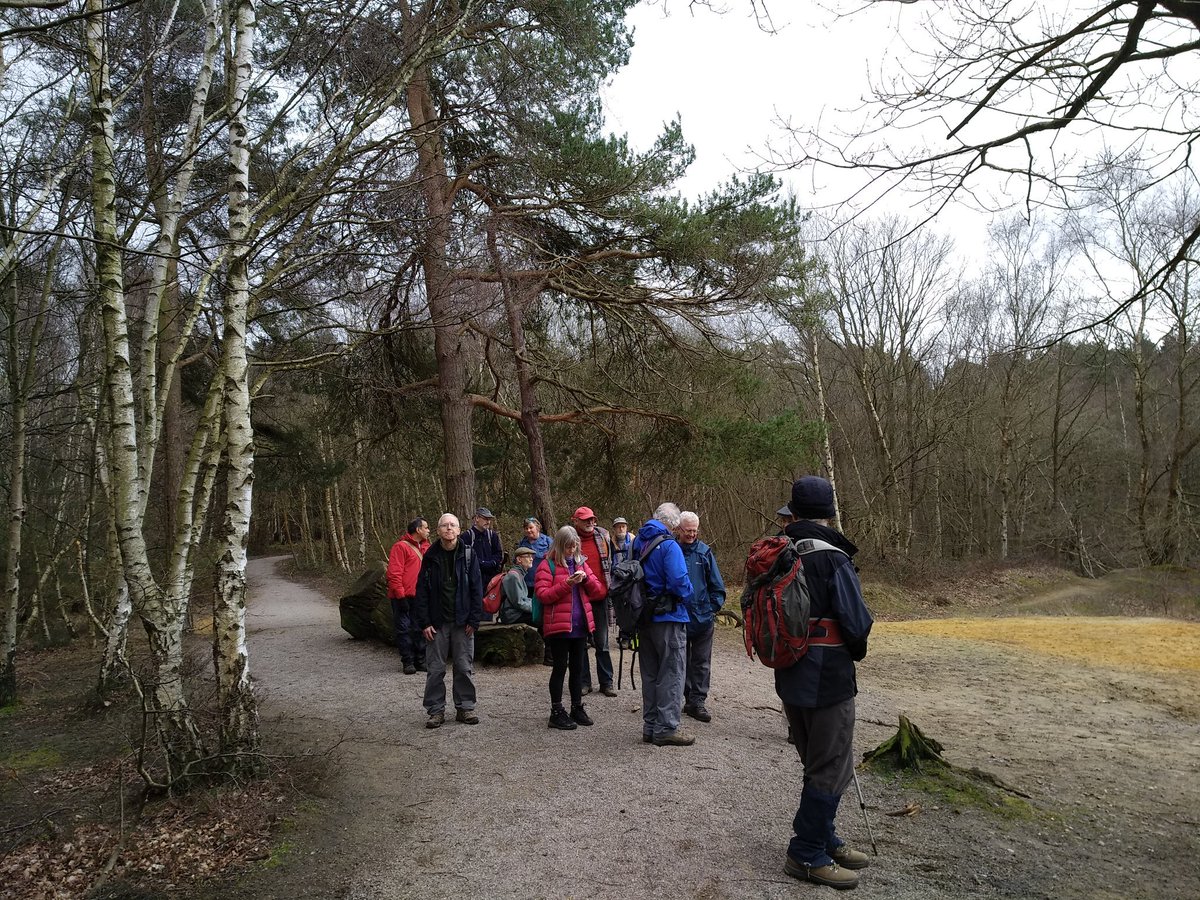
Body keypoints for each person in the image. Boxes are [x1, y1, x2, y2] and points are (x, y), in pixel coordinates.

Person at [778, 476, 874, 890]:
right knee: (831, 764)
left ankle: (824, 835)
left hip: (790, 673)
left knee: (815, 760)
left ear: (794, 512)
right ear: (829, 513)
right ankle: (806, 854)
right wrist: (855, 652)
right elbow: (856, 624)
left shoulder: (780, 551)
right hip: (828, 676)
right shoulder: (832, 558)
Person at [412, 513, 484, 729]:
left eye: (453, 525)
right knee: (435, 669)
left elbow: (476, 588)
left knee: (463, 667)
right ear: (438, 530)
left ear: (459, 530)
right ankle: (436, 711)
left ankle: (465, 707)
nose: (449, 529)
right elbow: (421, 591)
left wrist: (474, 619)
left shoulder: (469, 555)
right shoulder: (430, 556)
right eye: (444, 525)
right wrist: (424, 622)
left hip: (463, 622)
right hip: (437, 622)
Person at [633, 502, 695, 747]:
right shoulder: (669, 545)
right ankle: (667, 727)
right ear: (673, 523)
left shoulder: (637, 542)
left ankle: (650, 726)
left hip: (644, 618)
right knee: (671, 673)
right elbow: (679, 582)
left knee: (650, 673)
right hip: (669, 617)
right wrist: (690, 593)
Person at [534, 525, 605, 730]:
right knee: (559, 668)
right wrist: (567, 583)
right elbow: (543, 595)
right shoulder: (547, 565)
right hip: (558, 626)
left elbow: (598, 591)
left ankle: (577, 707)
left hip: (580, 625)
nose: (571, 551)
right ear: (559, 545)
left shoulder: (581, 562)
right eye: (567, 547)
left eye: (574, 546)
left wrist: (586, 578)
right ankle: (556, 711)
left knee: (578, 668)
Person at [676, 511, 726, 723]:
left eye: (695, 531)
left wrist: (710, 608)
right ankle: (685, 698)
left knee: (701, 662)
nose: (692, 535)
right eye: (688, 531)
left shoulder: (705, 552)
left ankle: (698, 701)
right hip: (678, 617)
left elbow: (718, 587)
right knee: (680, 661)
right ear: (679, 529)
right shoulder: (672, 550)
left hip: (702, 618)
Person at [571, 506, 616, 697]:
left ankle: (606, 682)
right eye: (585, 520)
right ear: (576, 521)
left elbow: (612, 564)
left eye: (592, 519)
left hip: (600, 598)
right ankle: (583, 682)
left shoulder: (604, 537)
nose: (590, 522)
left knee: (602, 643)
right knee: (580, 643)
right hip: (578, 598)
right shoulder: (569, 539)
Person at [385, 517, 431, 674]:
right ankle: (408, 661)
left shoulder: (427, 548)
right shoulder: (400, 547)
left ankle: (420, 660)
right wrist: (400, 595)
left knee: (420, 629)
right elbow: (394, 573)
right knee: (403, 629)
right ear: (418, 530)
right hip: (403, 596)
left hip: (420, 596)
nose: (428, 530)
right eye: (426, 528)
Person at [461, 507, 505, 587]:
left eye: (489, 519)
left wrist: (492, 563)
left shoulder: (492, 536)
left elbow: (498, 554)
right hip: (473, 579)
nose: (488, 522)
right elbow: (465, 557)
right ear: (477, 518)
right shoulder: (467, 536)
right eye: (485, 519)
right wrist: (482, 564)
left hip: (492, 579)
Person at [499, 546, 535, 625]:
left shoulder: (520, 574)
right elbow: (519, 603)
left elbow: (523, 599)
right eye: (528, 556)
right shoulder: (514, 576)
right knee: (542, 618)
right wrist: (536, 608)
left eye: (532, 556)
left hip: (516, 613)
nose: (531, 559)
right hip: (512, 615)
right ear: (519, 559)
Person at [516, 516, 552, 594]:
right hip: (526, 583)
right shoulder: (522, 543)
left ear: (537, 527)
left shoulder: (548, 541)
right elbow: (516, 561)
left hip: (544, 581)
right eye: (526, 528)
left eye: (531, 527)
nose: (528, 530)